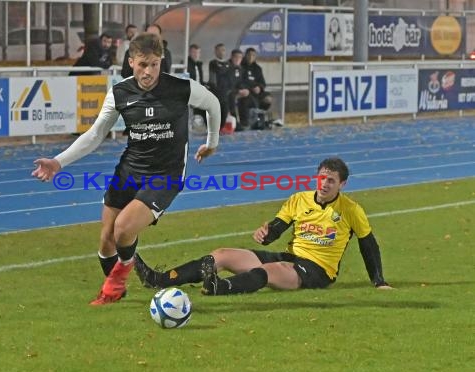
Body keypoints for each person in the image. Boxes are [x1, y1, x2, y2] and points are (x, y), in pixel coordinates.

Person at [32, 32, 221, 306]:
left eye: (155, 64)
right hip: (129, 171)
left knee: (123, 229)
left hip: (165, 176)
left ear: (161, 62)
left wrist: (211, 142)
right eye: (143, 64)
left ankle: (116, 282)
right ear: (131, 62)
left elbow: (213, 104)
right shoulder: (120, 93)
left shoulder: (182, 88)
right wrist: (58, 162)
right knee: (107, 240)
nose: (149, 71)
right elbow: (96, 135)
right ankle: (117, 290)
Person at [134, 157, 393, 294]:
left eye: (332, 181)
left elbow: (368, 245)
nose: (325, 184)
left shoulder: (351, 210)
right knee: (223, 254)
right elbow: (277, 228)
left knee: (271, 270)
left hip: (318, 271)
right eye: (322, 178)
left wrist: (378, 281)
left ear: (342, 185)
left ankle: (221, 288)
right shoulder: (298, 200)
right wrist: (265, 234)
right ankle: (159, 280)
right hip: (292, 257)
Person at [239, 47, 272, 129]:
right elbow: (239, 81)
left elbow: (263, 83)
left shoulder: (257, 68)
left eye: (253, 55)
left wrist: (259, 88)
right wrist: (249, 88)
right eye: (249, 55)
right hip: (246, 91)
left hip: (257, 92)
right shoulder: (240, 67)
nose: (251, 57)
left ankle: (261, 118)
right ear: (245, 55)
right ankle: (246, 122)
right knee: (247, 100)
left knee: (268, 99)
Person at [207, 43, 231, 131]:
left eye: (223, 50)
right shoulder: (213, 63)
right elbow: (213, 79)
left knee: (225, 111)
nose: (221, 52)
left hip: (226, 92)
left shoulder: (228, 63)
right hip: (217, 91)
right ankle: (215, 128)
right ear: (215, 51)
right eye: (219, 50)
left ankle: (221, 127)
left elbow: (229, 77)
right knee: (217, 110)